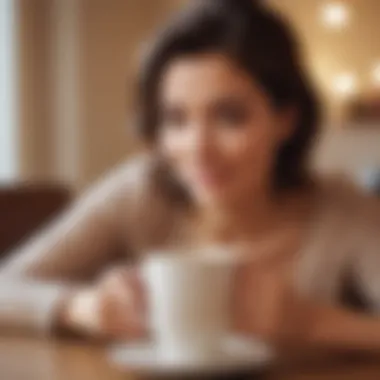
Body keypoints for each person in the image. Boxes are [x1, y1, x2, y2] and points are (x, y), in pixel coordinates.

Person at [1, 0, 380, 351]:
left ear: (286, 119)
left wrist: (308, 322)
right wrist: (81, 307)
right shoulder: (142, 193)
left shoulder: (341, 211)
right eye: (176, 119)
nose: (198, 149)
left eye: (230, 116)